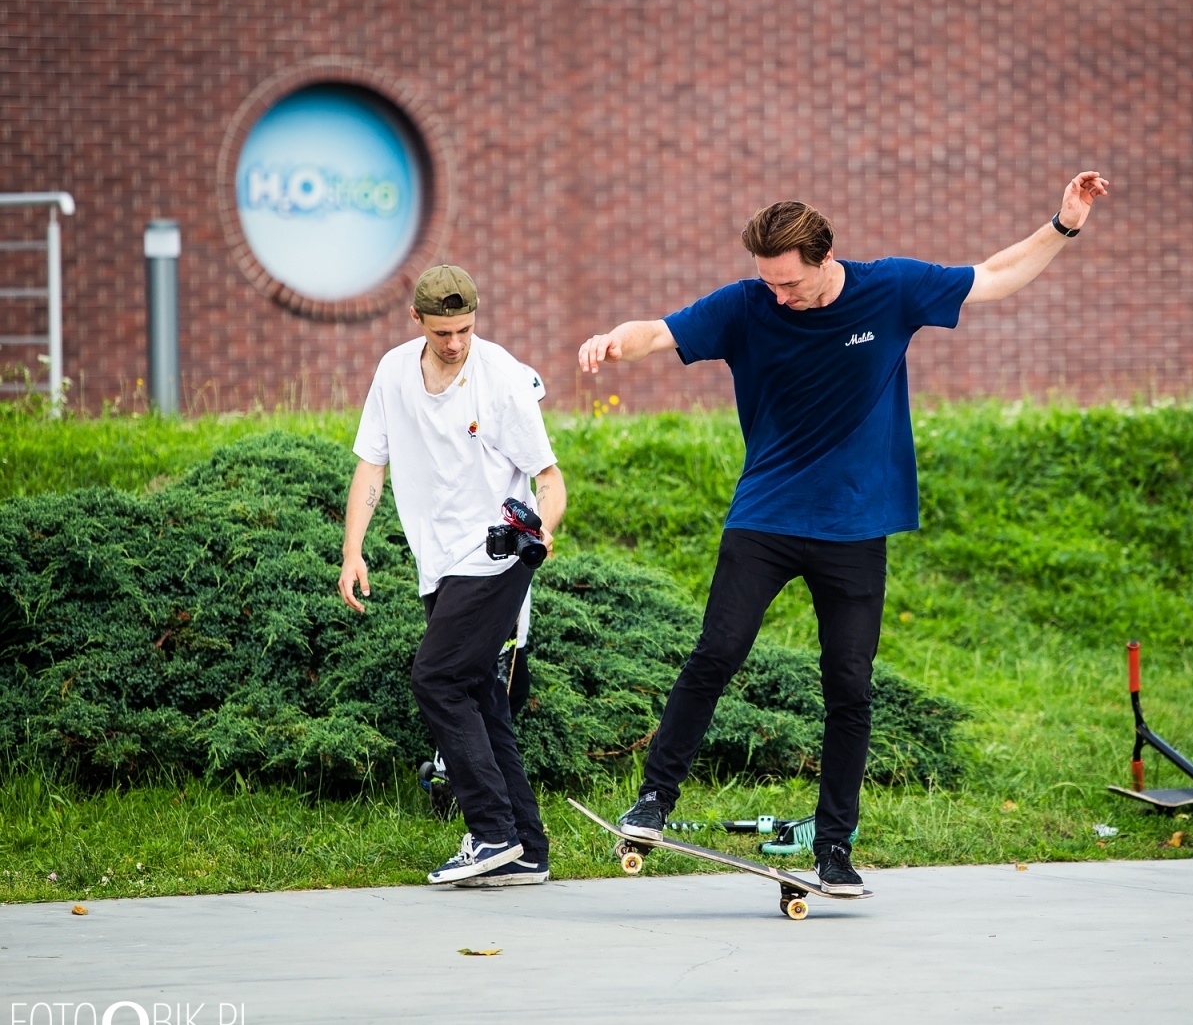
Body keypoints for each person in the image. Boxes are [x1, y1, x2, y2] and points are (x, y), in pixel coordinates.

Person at [577, 173, 1111, 893]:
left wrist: (1064, 224)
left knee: (849, 689)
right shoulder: (745, 305)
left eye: (790, 284)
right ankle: (653, 800)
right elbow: (663, 331)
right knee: (717, 653)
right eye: (769, 283)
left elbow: (993, 277)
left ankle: (834, 848)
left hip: (856, 527)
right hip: (766, 516)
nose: (779, 297)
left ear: (827, 259)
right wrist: (617, 342)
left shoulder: (890, 290)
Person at [340, 265, 568, 885]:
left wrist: (543, 529)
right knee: (480, 697)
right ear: (418, 321)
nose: (456, 343)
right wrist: (352, 551)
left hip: (497, 557)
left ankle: (490, 831)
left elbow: (549, 479)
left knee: (436, 679)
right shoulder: (393, 373)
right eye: (443, 332)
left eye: (465, 329)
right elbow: (370, 467)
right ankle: (527, 849)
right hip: (437, 564)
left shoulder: (500, 379)